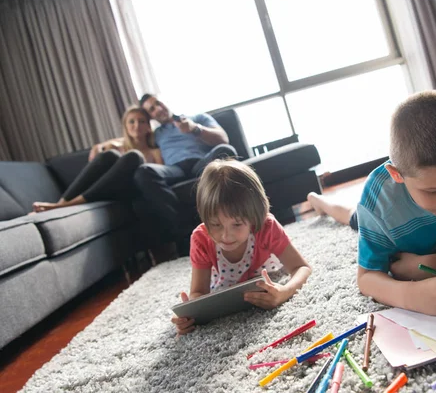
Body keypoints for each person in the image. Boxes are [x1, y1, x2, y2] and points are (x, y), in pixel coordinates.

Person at [307, 90, 436, 317]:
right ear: (397, 175)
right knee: (351, 215)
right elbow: (366, 278)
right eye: (433, 190)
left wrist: (435, 263)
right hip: (368, 216)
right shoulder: (377, 204)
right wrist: (412, 295)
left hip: (422, 252)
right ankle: (320, 202)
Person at [171, 159, 312, 336]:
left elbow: (302, 267)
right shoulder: (201, 238)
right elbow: (198, 292)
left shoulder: (267, 227)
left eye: (237, 224)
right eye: (215, 224)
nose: (225, 236)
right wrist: (189, 315)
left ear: (254, 217)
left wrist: (285, 292)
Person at [133, 94, 238, 237]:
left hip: (201, 164)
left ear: (164, 101)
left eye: (158, 103)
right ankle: (184, 230)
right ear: (151, 117)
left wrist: (195, 129)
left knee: (226, 151)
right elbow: (131, 137)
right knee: (143, 172)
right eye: (152, 109)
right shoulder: (155, 134)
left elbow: (223, 139)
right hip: (175, 170)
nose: (158, 108)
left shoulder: (197, 118)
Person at [32, 106, 161, 212]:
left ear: (149, 126)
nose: (136, 125)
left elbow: (160, 177)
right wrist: (99, 146)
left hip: (133, 190)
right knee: (111, 155)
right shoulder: (117, 147)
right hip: (108, 189)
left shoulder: (154, 151)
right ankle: (61, 203)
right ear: (126, 127)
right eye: (131, 121)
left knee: (134, 156)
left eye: (142, 121)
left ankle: (62, 206)